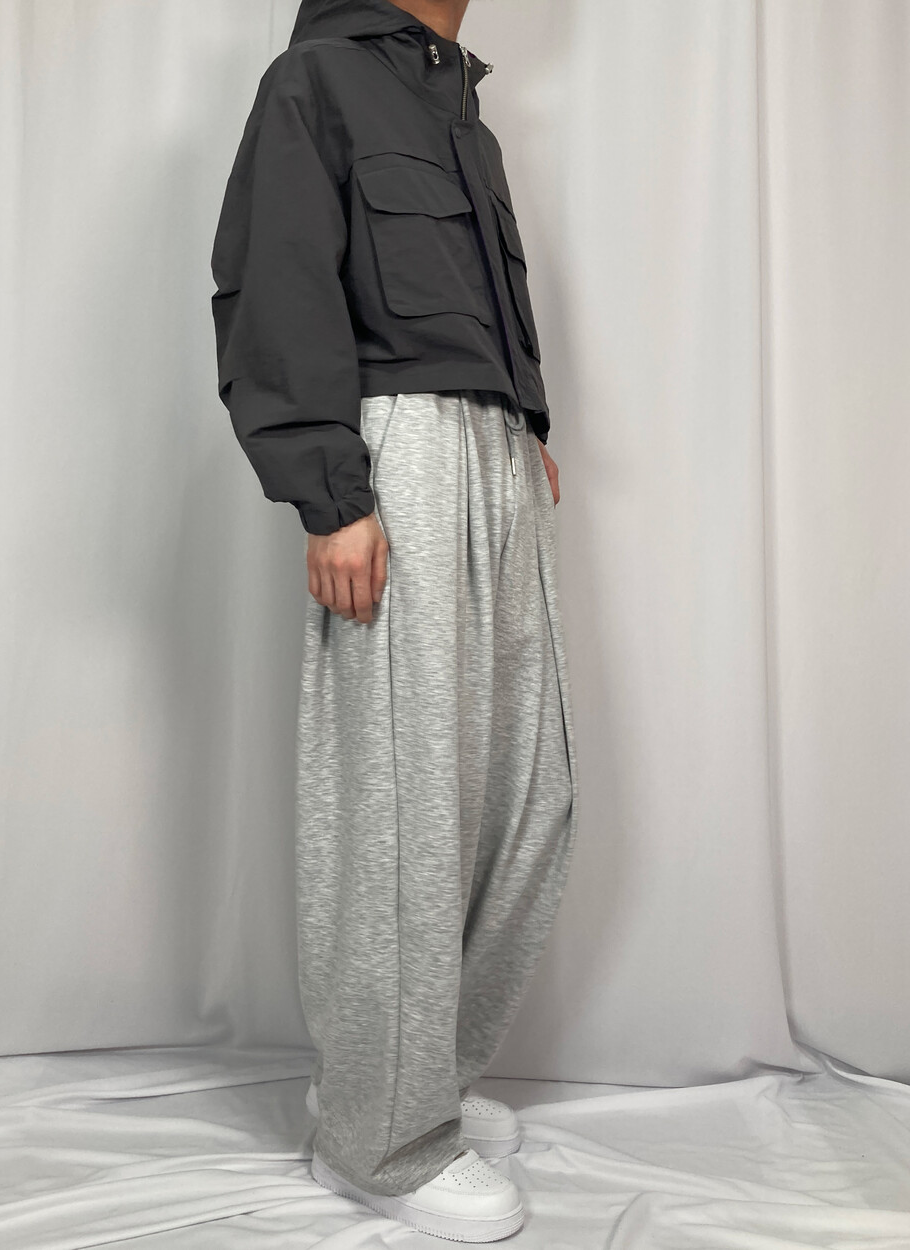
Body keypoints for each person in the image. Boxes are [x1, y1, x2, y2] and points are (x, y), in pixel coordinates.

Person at [209, 0, 579, 1240]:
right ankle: (381, 1141)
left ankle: (410, 1087)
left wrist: (522, 421)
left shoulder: (456, 101)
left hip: (492, 452)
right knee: (402, 805)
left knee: (523, 792)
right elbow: (275, 286)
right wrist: (331, 494)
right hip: (397, 454)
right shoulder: (315, 78)